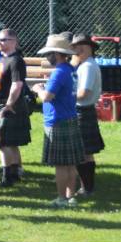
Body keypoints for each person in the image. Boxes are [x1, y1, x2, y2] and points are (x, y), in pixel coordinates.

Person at [32, 35, 85, 208]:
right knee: (70, 163)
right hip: (69, 118)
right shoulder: (70, 69)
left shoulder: (60, 72)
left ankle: (62, 198)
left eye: (50, 54)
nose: (47, 57)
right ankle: (71, 197)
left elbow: (47, 97)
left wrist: (38, 89)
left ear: (57, 54)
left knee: (61, 165)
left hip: (57, 121)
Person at [0, 29, 30, 187]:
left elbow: (17, 84)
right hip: (1, 102)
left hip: (9, 105)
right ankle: (15, 174)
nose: (0, 42)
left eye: (4, 40)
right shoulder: (1, 59)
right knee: (10, 143)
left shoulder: (16, 60)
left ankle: (7, 176)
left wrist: (8, 105)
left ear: (14, 41)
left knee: (4, 142)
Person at [71, 34, 104, 196]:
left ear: (90, 47)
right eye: (75, 46)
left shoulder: (88, 67)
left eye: (81, 45)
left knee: (82, 153)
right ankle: (87, 187)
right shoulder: (84, 65)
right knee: (86, 152)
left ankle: (87, 188)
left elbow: (84, 93)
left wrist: (65, 95)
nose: (77, 48)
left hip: (82, 111)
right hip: (84, 111)